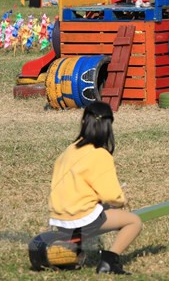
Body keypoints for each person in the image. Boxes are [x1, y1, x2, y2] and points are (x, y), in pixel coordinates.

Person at [46, 102, 142, 274]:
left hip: (58, 217)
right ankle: (109, 262)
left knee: (100, 209)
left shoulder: (70, 150)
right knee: (133, 221)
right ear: (108, 127)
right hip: (81, 218)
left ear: (83, 122)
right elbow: (112, 195)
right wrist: (122, 201)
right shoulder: (100, 155)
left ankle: (69, 251)